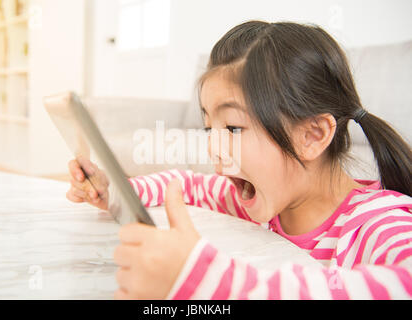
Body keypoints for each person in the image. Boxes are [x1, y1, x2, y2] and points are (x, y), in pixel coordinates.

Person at [66, 21, 412, 299]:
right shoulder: (255, 199)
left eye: (232, 128)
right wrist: (116, 192)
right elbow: (188, 185)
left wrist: (214, 281)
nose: (214, 148)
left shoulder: (376, 223)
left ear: (313, 135)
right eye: (208, 129)